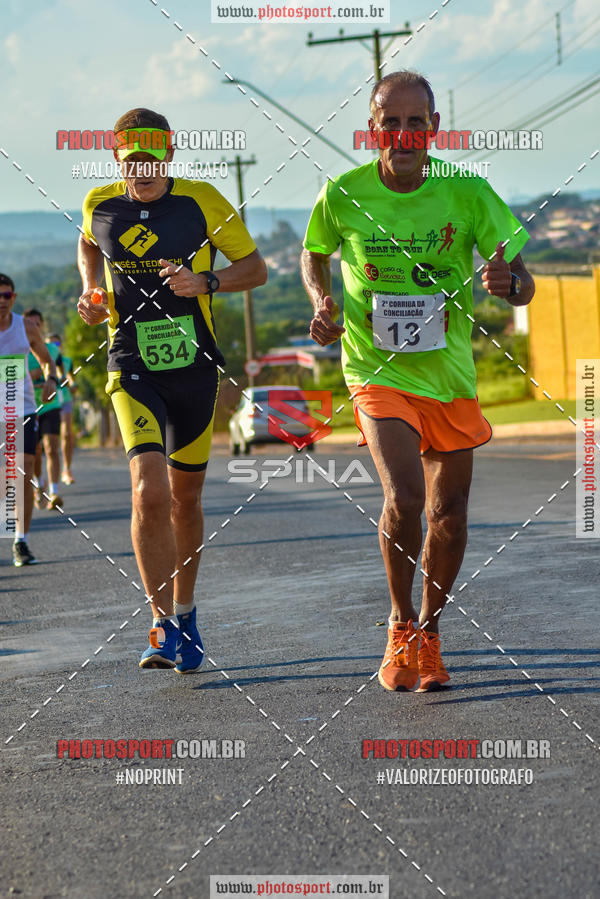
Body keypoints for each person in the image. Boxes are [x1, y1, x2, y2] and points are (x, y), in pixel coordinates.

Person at [301, 70, 535, 692]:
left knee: (448, 513)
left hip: (448, 374)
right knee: (405, 498)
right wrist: (321, 300)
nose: (402, 134)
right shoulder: (343, 193)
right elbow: (314, 251)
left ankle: (430, 632)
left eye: (414, 122)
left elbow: (524, 282)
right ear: (372, 127)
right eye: (390, 121)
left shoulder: (468, 192)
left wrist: (510, 283)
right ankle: (400, 623)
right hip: (375, 369)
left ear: (433, 128)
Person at [77, 107, 267, 672]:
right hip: (130, 364)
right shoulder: (99, 204)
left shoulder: (201, 201)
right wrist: (92, 290)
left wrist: (205, 281)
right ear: (116, 156)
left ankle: (185, 612)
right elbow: (89, 243)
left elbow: (255, 268)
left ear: (168, 153)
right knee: (148, 492)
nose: (140, 168)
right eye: (130, 158)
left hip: (194, 366)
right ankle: (160, 623)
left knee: (185, 499)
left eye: (150, 157)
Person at [0, 276, 57, 565]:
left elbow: (47, 359)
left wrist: (51, 379)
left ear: (14, 297)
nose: (2, 301)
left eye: (6, 295)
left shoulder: (25, 327)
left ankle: (20, 541)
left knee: (23, 473)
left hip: (21, 409)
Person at [24, 310, 65, 511]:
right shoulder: (20, 350)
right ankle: (40, 484)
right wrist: (32, 375)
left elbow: (56, 369)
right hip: (29, 407)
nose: (34, 327)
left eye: (37, 324)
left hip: (51, 405)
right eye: (30, 324)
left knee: (51, 447)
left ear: (42, 326)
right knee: (35, 452)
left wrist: (53, 379)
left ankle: (54, 492)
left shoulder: (52, 350)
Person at [48, 333, 76, 485]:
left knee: (66, 434)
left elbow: (72, 379)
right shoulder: (41, 360)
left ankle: (67, 469)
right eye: (50, 344)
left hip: (64, 399)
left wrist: (72, 384)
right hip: (47, 402)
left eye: (57, 344)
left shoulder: (67, 360)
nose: (54, 347)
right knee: (48, 442)